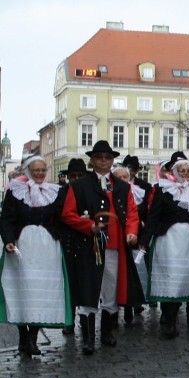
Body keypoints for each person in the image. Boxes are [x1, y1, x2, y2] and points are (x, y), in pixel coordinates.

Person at [60, 140, 144, 355]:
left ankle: (107, 332)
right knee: (89, 288)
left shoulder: (123, 186)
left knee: (111, 288)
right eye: (99, 157)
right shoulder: (78, 186)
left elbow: (132, 213)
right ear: (92, 160)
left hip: (115, 246)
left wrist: (132, 232)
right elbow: (68, 215)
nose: (103, 161)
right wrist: (89, 226)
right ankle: (88, 338)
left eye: (107, 158)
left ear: (112, 160)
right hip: (89, 246)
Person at [0, 155, 71, 356]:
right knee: (23, 292)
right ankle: (23, 336)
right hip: (22, 248)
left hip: (48, 249)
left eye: (43, 169)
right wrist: (8, 241)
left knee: (42, 293)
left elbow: (62, 219)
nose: (40, 173)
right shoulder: (15, 192)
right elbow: (6, 219)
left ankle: (33, 338)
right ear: (28, 171)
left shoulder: (56, 192)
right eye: (36, 170)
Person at [143, 159, 189, 338]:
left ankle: (173, 317)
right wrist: (144, 240)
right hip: (168, 241)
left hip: (188, 242)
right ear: (175, 172)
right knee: (170, 279)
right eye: (182, 171)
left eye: (188, 171)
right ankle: (169, 320)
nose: (185, 174)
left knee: (182, 280)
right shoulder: (164, 190)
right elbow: (153, 216)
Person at [112, 164, 150, 325]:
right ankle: (115, 309)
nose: (122, 180)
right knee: (118, 275)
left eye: (125, 177)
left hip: (135, 238)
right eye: (118, 177)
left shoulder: (139, 192)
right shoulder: (111, 193)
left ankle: (132, 306)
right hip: (118, 238)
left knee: (135, 274)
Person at [57, 158, 88, 336]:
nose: (76, 178)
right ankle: (69, 320)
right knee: (68, 282)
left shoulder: (90, 191)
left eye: (80, 175)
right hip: (67, 241)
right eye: (73, 175)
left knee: (85, 282)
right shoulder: (60, 193)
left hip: (86, 241)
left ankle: (85, 320)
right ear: (68, 177)